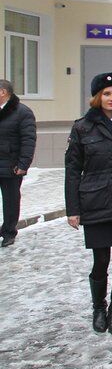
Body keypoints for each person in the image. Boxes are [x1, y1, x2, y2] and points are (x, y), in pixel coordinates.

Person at [65, 73, 112, 335]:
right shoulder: (82, 127)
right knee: (101, 261)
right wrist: (73, 209)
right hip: (96, 202)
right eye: (107, 94)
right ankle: (99, 307)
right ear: (97, 97)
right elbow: (73, 170)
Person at [0, 79, 36, 248]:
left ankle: (8, 231)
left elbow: (28, 140)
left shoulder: (22, 112)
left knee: (11, 200)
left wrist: (23, 164)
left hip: (11, 165)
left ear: (3, 92)